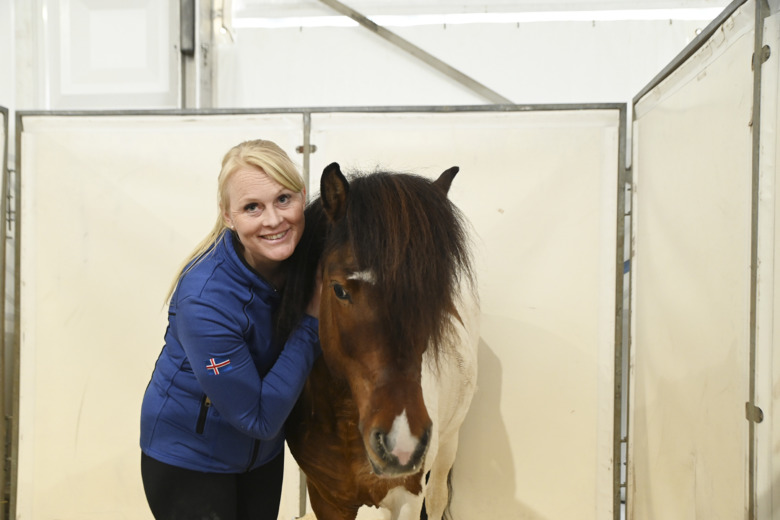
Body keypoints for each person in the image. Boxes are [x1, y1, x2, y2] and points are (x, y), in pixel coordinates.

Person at [140, 139, 322, 520]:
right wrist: (311, 321)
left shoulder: (307, 257)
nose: (273, 220)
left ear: (303, 196)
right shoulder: (206, 299)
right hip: (189, 460)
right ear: (228, 216)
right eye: (252, 207)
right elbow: (257, 418)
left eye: (283, 199)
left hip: (261, 458)